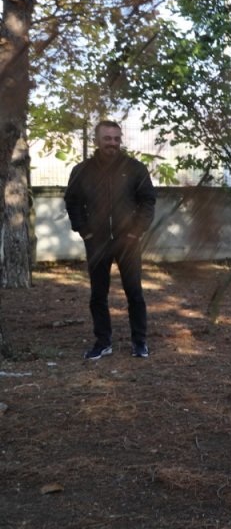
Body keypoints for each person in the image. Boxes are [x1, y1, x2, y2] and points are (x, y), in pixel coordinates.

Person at [64, 120, 158, 360]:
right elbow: (72, 202)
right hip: (97, 242)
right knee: (98, 295)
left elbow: (148, 201)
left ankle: (139, 342)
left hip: (128, 242)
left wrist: (136, 232)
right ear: (97, 140)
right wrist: (84, 231)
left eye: (117, 139)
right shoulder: (82, 170)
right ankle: (103, 342)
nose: (113, 144)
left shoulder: (135, 168)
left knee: (134, 293)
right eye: (108, 138)